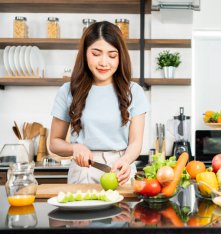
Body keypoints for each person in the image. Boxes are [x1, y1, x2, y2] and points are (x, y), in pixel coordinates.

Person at [49, 21, 149, 185]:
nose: (104, 62)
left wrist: (126, 161)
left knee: (124, 211)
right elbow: (54, 142)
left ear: (120, 57)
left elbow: (136, 142)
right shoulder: (67, 91)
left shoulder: (134, 91)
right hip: (83, 170)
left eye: (112, 55)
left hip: (121, 170)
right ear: (85, 53)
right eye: (96, 54)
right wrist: (75, 148)